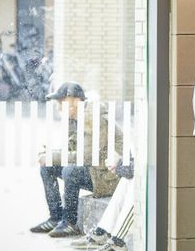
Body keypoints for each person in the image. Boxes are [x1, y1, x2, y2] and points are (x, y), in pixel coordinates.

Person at [30, 82, 125, 239]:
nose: (58, 107)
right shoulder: (74, 120)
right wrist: (49, 155)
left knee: (70, 170)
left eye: (61, 102)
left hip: (108, 177)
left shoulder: (95, 118)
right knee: (48, 167)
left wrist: (52, 156)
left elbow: (86, 156)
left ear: (75, 101)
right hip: (94, 171)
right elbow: (71, 151)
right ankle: (55, 218)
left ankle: (70, 223)